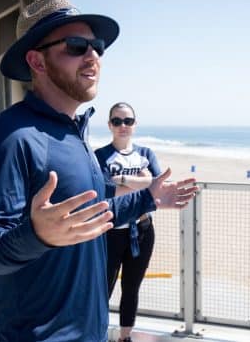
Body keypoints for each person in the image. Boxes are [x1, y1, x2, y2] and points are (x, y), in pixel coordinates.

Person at [0, 0, 198, 341]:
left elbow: (95, 213)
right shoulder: (11, 137)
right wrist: (37, 235)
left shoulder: (73, 133)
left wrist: (149, 198)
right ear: (38, 61)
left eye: (97, 46)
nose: (93, 56)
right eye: (76, 45)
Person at [95, 102, 160, 342]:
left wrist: (121, 180)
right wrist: (139, 181)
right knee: (103, 289)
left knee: (131, 289)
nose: (123, 126)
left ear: (135, 124)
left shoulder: (146, 154)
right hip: (109, 231)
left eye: (128, 121)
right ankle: (97, 335)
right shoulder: (100, 156)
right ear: (110, 124)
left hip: (141, 231)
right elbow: (103, 189)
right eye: (117, 121)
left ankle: (125, 337)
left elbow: (156, 190)